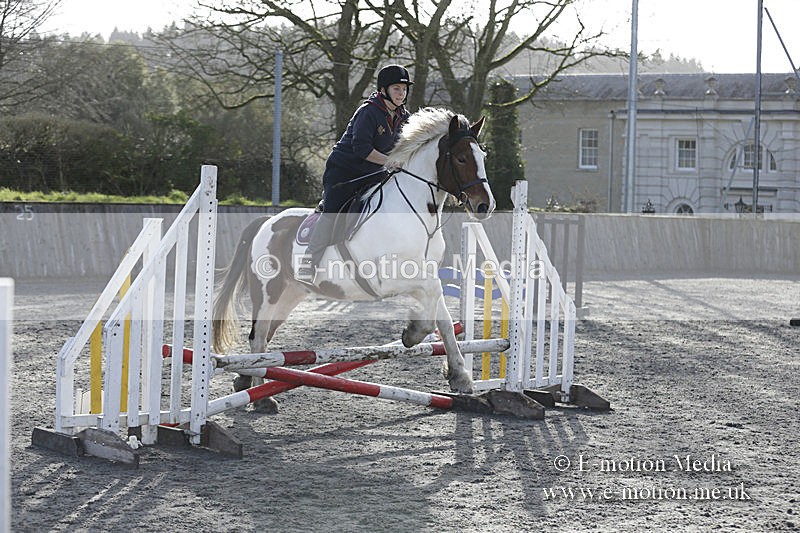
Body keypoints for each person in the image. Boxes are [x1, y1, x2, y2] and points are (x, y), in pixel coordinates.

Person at [303, 64, 413, 280]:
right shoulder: (368, 111)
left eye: (404, 89)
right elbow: (361, 149)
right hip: (344, 172)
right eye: (397, 89)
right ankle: (308, 263)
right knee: (333, 210)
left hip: (375, 172)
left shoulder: (404, 117)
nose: (402, 94)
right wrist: (391, 161)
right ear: (384, 90)